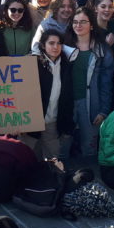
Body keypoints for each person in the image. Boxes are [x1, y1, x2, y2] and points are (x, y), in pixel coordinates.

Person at [65, 7, 114, 158]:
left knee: (90, 148)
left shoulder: (102, 50)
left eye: (83, 22)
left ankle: (89, 179)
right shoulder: (62, 47)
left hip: (92, 104)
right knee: (63, 147)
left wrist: (104, 110)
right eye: (75, 22)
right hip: (66, 104)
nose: (78, 25)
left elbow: (107, 83)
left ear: (91, 25)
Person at [28, 29, 75, 160]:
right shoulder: (31, 63)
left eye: (59, 43)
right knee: (26, 158)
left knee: (53, 160)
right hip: (31, 122)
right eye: (51, 43)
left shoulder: (66, 65)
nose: (56, 47)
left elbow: (68, 97)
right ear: (43, 45)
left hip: (52, 123)